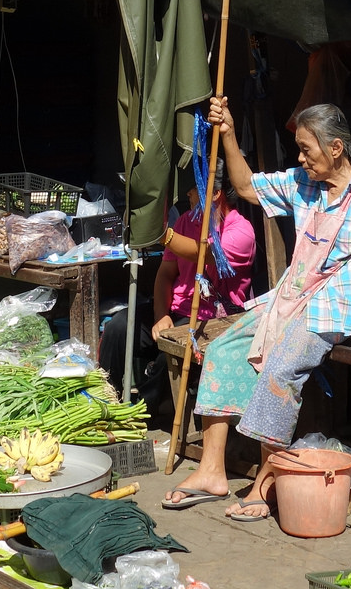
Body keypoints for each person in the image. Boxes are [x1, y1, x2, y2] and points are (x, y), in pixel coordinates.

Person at [164, 98, 351, 521]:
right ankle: (211, 471)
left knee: (279, 365)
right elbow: (245, 187)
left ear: (335, 149)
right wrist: (228, 134)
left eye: (306, 148)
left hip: (338, 306)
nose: (299, 157)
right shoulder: (303, 182)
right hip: (294, 295)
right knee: (223, 350)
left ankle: (267, 480)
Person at [97, 177, 256, 419]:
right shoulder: (184, 222)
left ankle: (142, 413)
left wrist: (161, 234)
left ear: (215, 194)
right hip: (176, 309)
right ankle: (107, 399)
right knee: (118, 327)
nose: (188, 195)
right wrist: (161, 315)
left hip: (211, 319)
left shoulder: (241, 231)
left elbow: (205, 254)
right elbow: (165, 274)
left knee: (168, 354)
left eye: (193, 190)